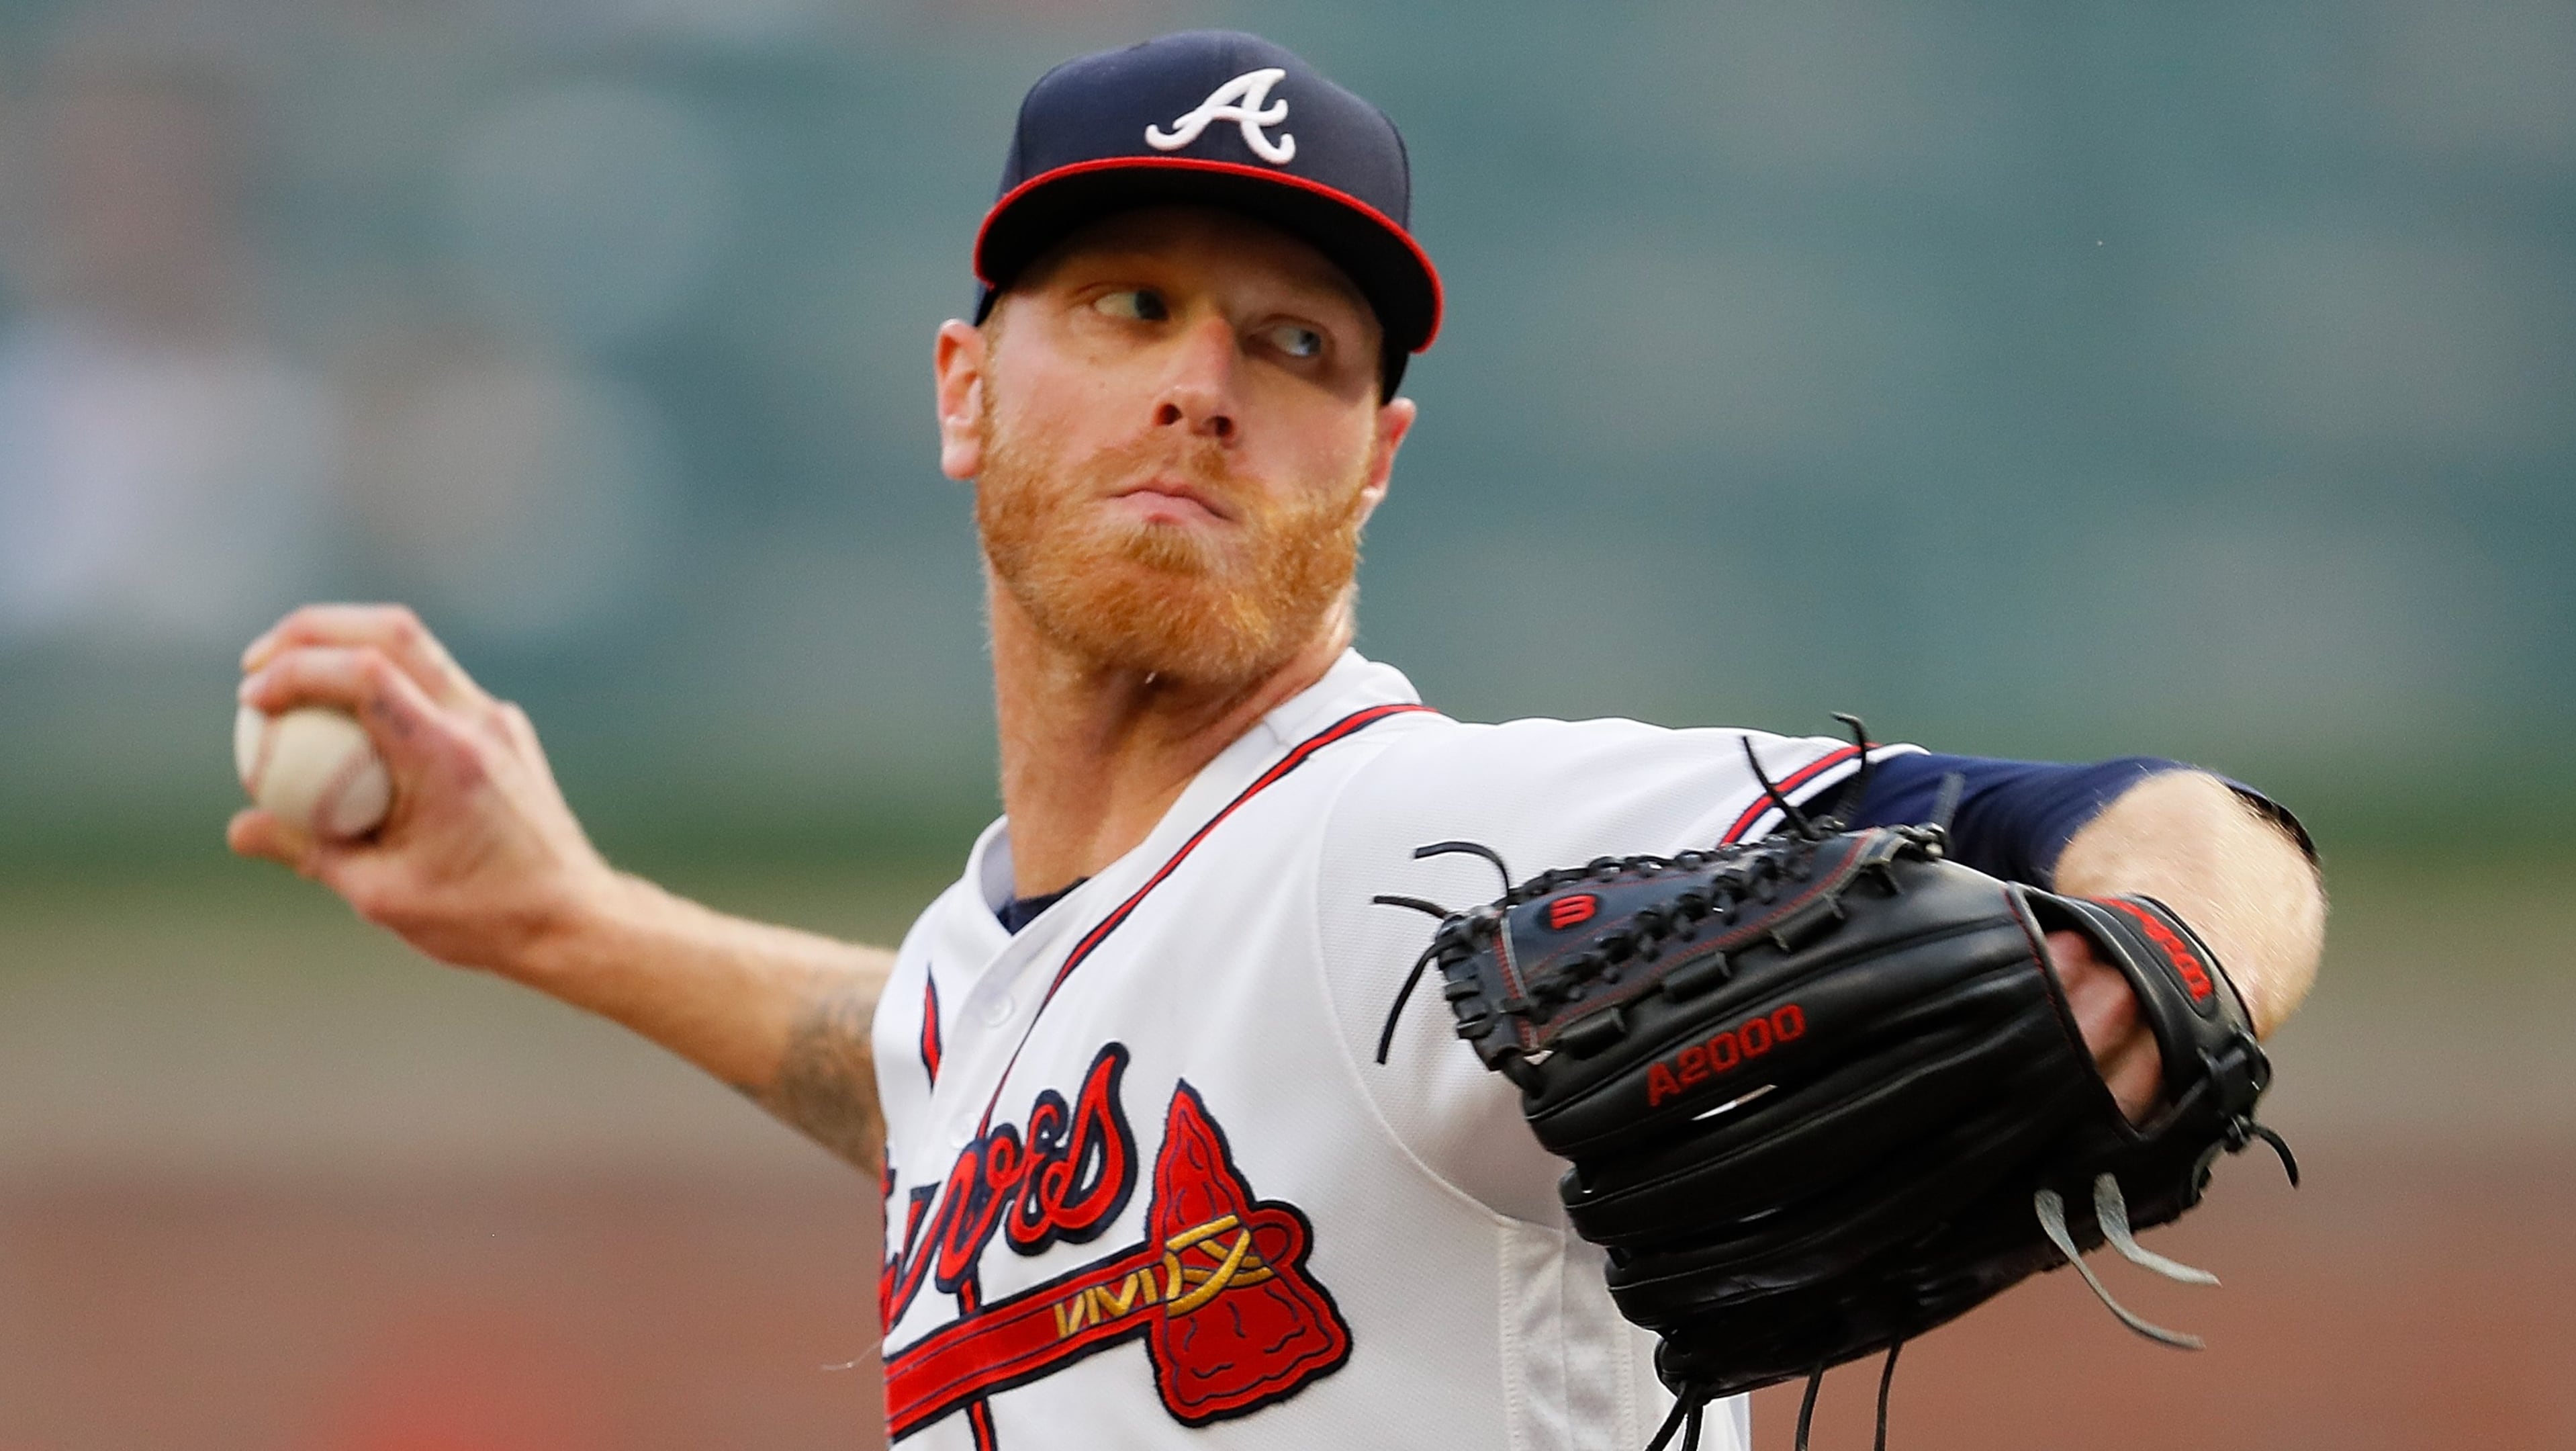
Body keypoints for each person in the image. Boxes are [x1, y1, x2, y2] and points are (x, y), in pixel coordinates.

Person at [230, 31, 2325, 1451]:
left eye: (1291, 343)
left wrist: (2178, 953)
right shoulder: (1022, 958)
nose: (1202, 384)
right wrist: (562, 918)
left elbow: (2159, 821)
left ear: (1378, 456)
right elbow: (949, 1063)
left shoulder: (1413, 836)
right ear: (967, 387)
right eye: (1130, 307)